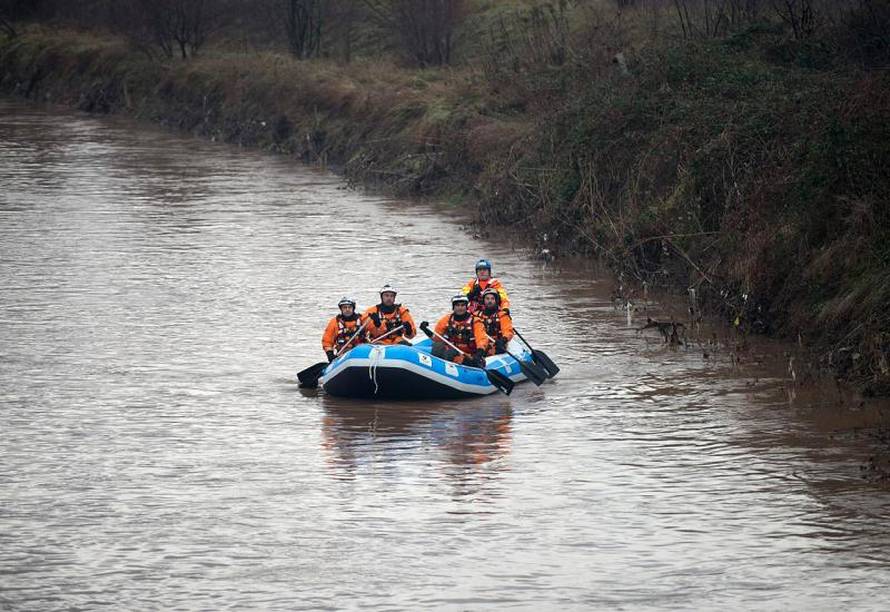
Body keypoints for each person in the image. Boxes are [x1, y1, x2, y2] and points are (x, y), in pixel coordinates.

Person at [424, 295, 488, 366]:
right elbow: (438, 338)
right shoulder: (446, 319)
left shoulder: (475, 321)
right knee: (437, 346)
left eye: (462, 305)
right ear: (453, 307)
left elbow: (481, 339)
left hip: (468, 354)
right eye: (457, 305)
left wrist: (479, 354)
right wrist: (426, 330)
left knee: (450, 354)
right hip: (451, 350)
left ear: (466, 307)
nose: (460, 308)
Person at [321, 297, 366, 362]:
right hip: (343, 354)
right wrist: (330, 354)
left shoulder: (363, 320)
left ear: (353, 308)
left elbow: (374, 333)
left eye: (349, 307)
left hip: (361, 352)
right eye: (345, 307)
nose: (347, 309)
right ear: (341, 309)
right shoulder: (335, 322)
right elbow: (327, 341)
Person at [475, 288, 514, 356]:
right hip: (481, 343)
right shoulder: (476, 315)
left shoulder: (502, 315)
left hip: (498, 344)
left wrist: (503, 340)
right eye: (487, 299)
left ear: (496, 301)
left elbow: (508, 331)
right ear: (483, 301)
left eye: (492, 299)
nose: (490, 301)